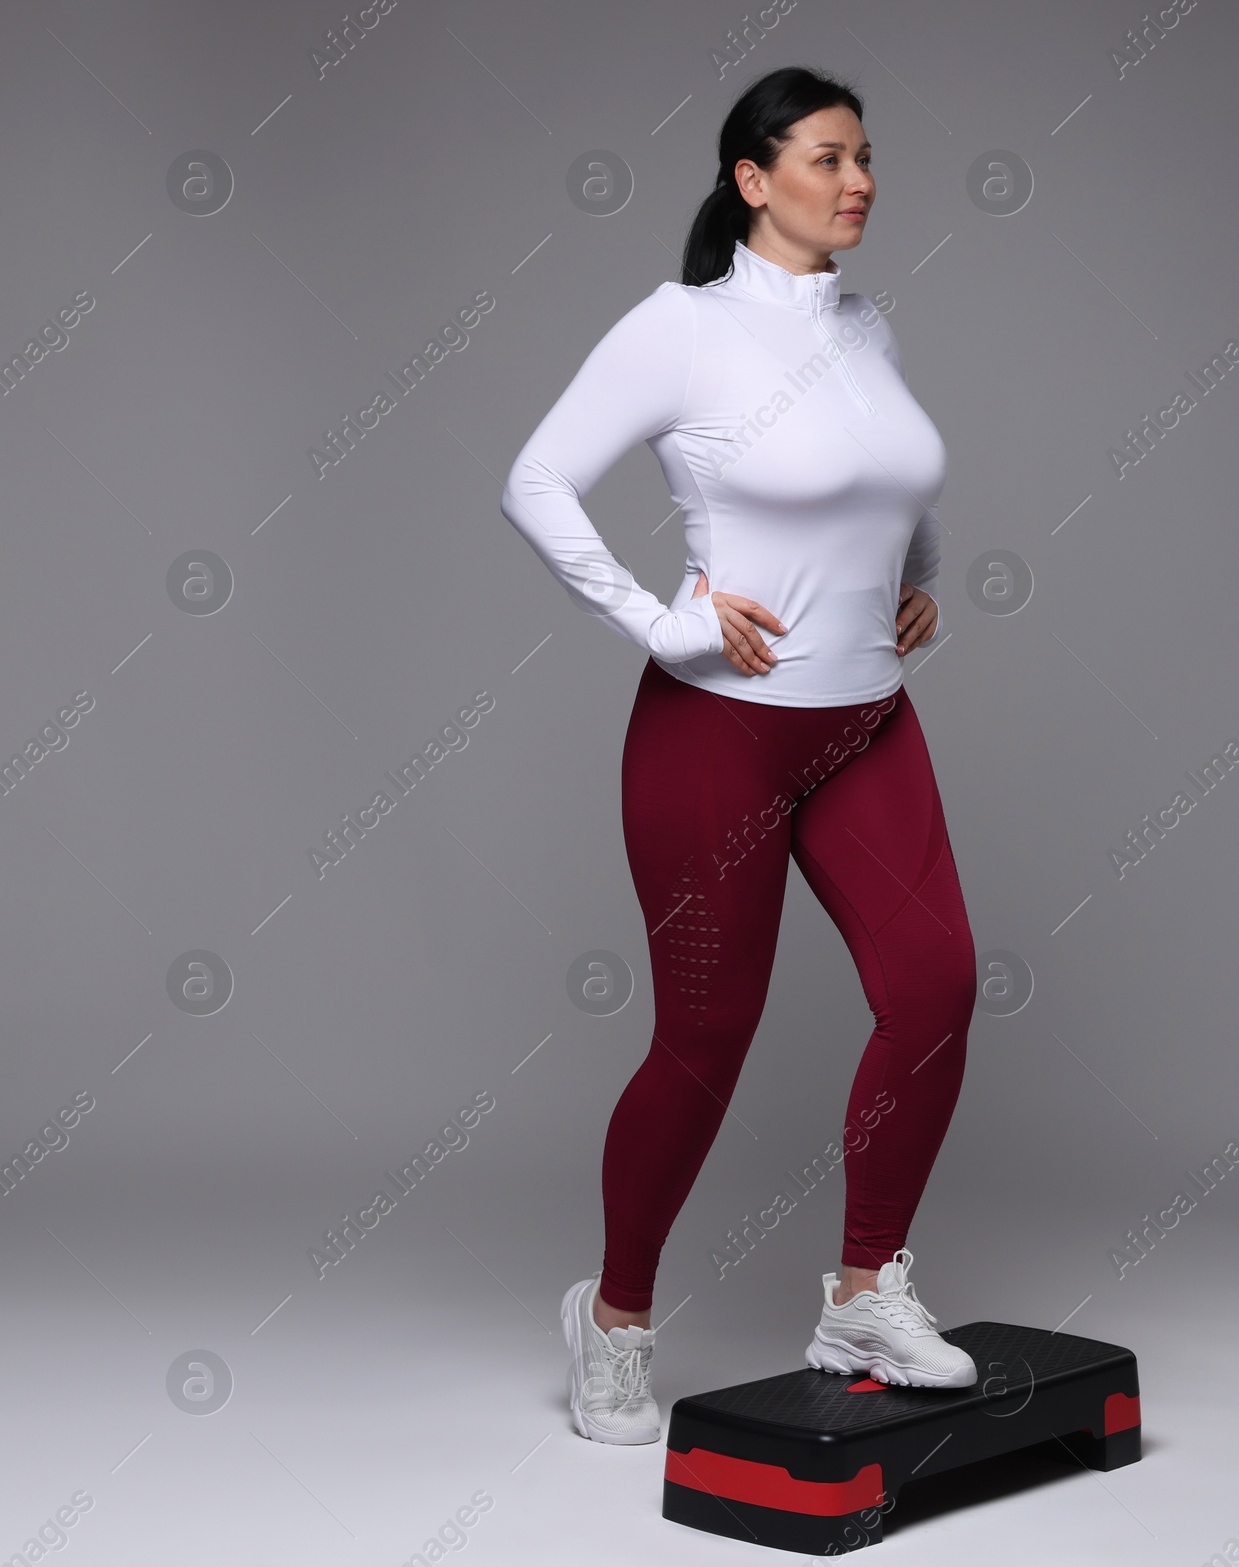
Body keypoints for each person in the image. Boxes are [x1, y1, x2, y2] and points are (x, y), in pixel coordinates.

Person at [500, 65, 980, 1446]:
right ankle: (617, 1320)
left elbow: (895, 476)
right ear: (753, 181)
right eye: (828, 158)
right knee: (708, 1039)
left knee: (937, 982)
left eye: (869, 157)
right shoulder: (681, 329)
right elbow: (536, 479)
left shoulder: (866, 321)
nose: (860, 181)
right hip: (719, 736)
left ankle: (864, 1294)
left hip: (868, 720)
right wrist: (663, 623)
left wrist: (915, 576)